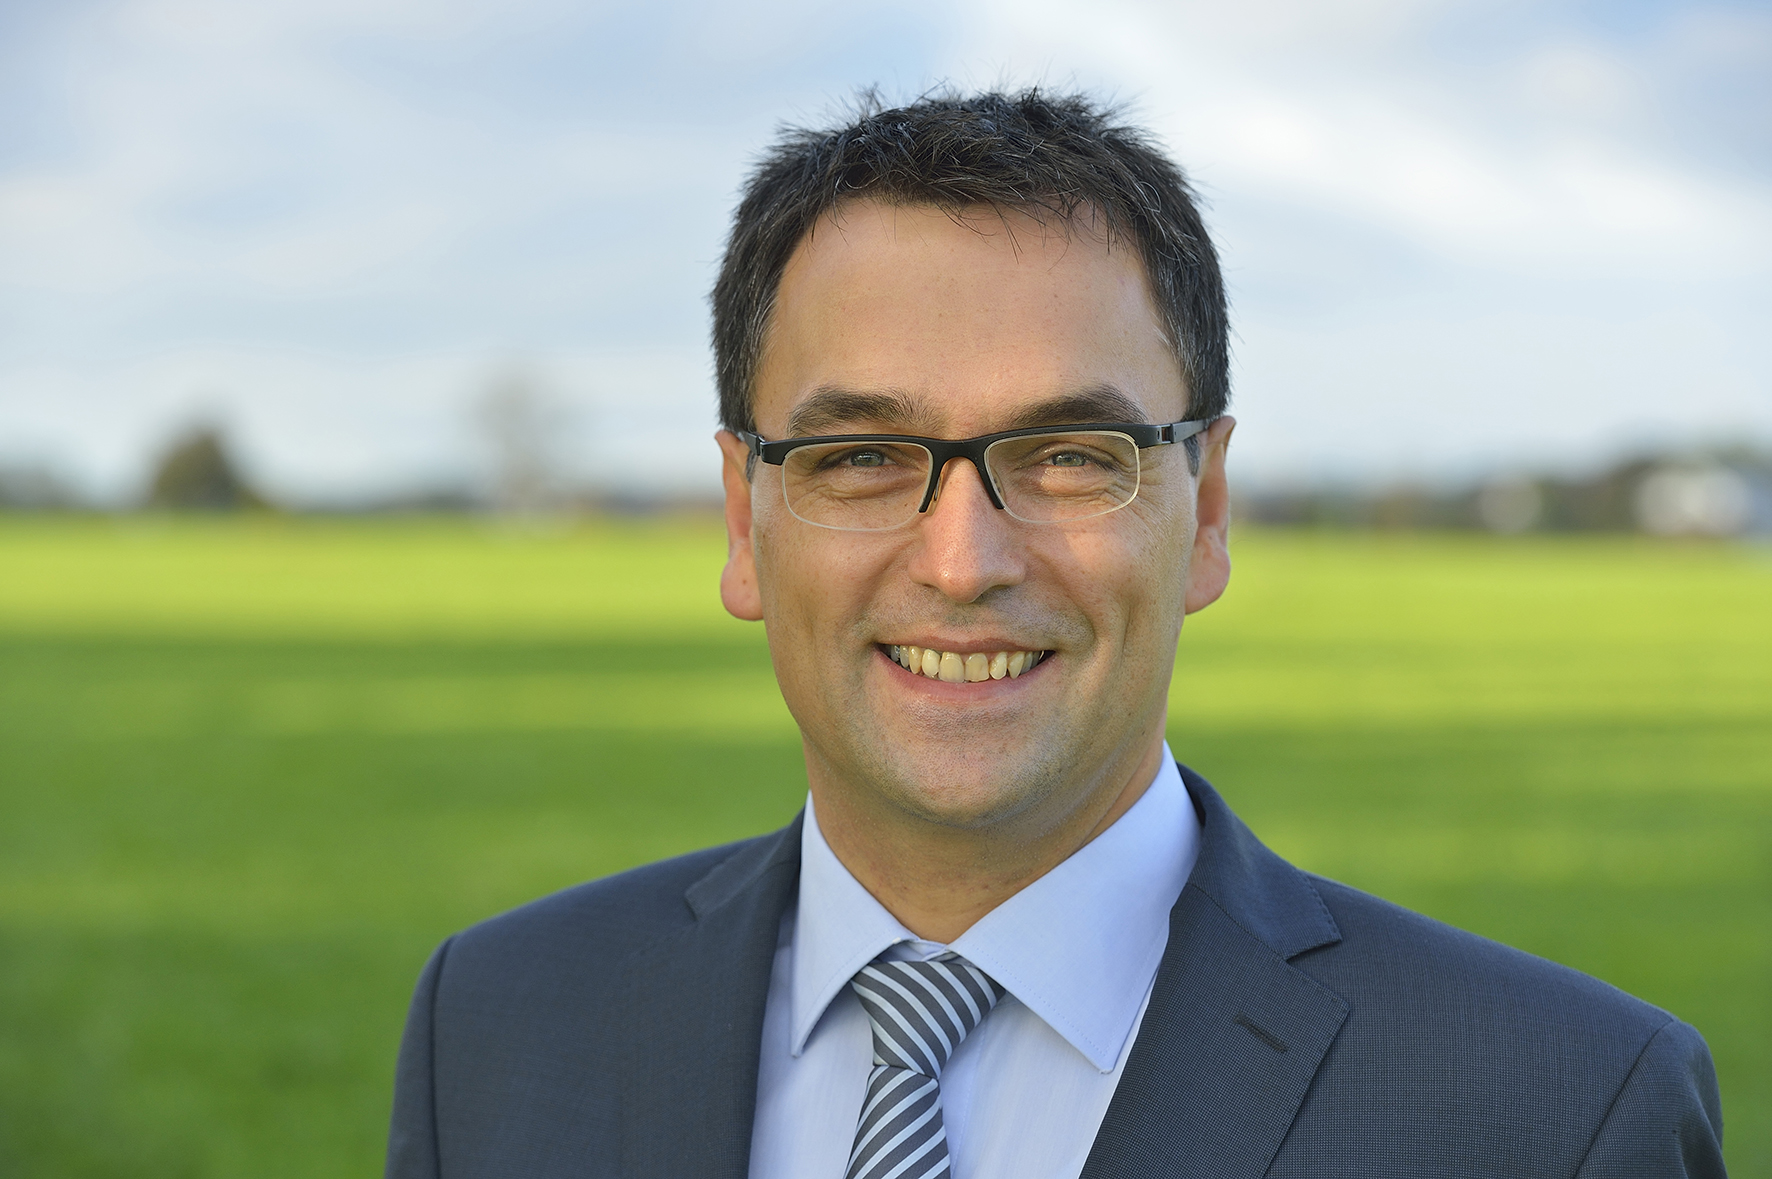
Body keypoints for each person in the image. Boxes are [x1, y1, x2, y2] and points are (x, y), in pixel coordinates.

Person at [385, 90, 1725, 1179]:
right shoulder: (496, 1023)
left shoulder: (1557, 1114)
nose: (963, 563)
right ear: (746, 519)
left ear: (1206, 512)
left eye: (1072, 455)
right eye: (861, 456)